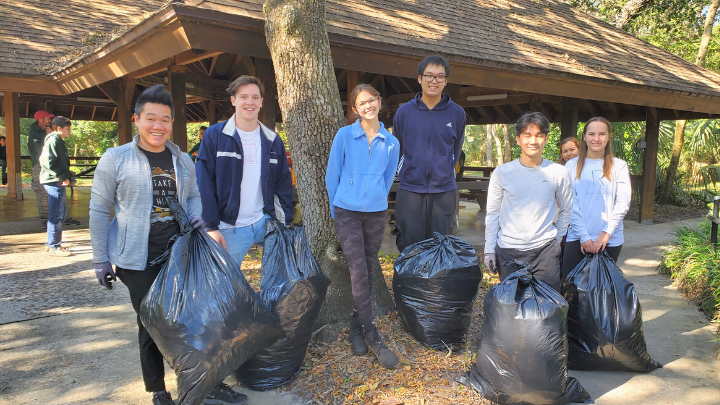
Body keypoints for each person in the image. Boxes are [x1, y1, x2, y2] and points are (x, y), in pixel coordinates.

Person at [90, 85, 247, 405]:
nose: (157, 125)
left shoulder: (180, 159)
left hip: (179, 251)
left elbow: (192, 196)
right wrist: (100, 259)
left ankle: (209, 381)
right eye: (150, 118)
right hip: (137, 258)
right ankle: (159, 390)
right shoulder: (115, 158)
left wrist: (198, 220)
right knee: (153, 324)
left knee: (197, 319)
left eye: (165, 119)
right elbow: (98, 207)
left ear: (172, 122)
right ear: (137, 119)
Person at [326, 84, 401, 369]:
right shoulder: (345, 136)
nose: (367, 105)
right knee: (358, 271)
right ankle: (373, 335)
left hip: (376, 214)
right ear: (355, 109)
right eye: (361, 103)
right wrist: (338, 208)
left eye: (371, 100)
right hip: (347, 213)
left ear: (379, 102)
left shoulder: (391, 142)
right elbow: (332, 176)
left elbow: (387, 178)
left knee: (369, 271)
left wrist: (376, 199)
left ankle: (356, 328)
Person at [196, 75, 294, 267]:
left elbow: (283, 185)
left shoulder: (273, 140)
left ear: (261, 102)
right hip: (227, 228)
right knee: (224, 288)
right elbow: (203, 183)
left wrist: (286, 222)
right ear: (233, 100)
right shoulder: (214, 136)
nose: (250, 102)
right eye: (243, 97)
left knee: (277, 284)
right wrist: (210, 226)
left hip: (264, 223)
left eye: (255, 97)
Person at [483, 112, 573, 293]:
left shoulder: (558, 172)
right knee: (512, 308)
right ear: (517, 139)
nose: (533, 141)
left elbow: (566, 209)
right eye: (527, 135)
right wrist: (489, 249)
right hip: (509, 250)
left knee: (548, 307)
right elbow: (492, 213)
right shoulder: (502, 173)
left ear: (546, 138)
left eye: (539, 135)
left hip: (545, 251)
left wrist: (556, 239)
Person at [392, 55, 466, 252]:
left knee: (442, 248)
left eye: (440, 77)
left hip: (444, 191)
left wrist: (445, 171)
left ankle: (438, 284)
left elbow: (456, 149)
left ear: (446, 81)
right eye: (429, 76)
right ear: (419, 78)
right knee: (410, 246)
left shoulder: (457, 113)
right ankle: (409, 284)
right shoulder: (404, 113)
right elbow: (398, 148)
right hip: (410, 190)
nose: (434, 81)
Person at [562, 117, 631, 279]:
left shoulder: (619, 166)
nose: (596, 138)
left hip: (610, 239)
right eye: (592, 134)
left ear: (608, 137)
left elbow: (622, 203)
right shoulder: (571, 166)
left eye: (602, 134)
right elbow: (570, 202)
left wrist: (605, 234)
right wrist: (584, 236)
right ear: (584, 137)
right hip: (577, 237)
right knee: (571, 289)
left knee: (602, 290)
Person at [40, 116, 76, 256]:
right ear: (59, 128)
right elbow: (46, 162)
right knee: (56, 215)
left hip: (56, 180)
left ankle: (54, 243)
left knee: (59, 214)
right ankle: (54, 246)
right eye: (68, 129)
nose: (70, 132)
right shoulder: (53, 140)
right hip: (53, 181)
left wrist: (67, 175)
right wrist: (62, 177)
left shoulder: (57, 140)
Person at [28, 110, 53, 228]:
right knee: (41, 191)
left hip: (52, 165)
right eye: (47, 118)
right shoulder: (34, 133)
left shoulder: (48, 130)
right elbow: (41, 149)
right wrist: (49, 136)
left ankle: (62, 216)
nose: (49, 120)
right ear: (40, 120)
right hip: (40, 166)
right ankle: (45, 218)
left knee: (58, 189)